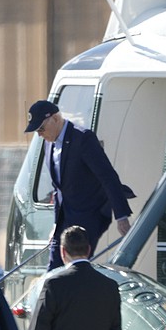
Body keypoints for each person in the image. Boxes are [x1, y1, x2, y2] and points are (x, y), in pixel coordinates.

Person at [25, 99, 134, 270]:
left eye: (41, 128)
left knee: (76, 270)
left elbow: (108, 177)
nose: (39, 134)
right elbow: (58, 188)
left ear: (54, 118)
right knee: (53, 271)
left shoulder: (83, 138)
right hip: (64, 220)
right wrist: (56, 225)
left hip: (88, 217)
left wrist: (122, 216)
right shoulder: (48, 144)